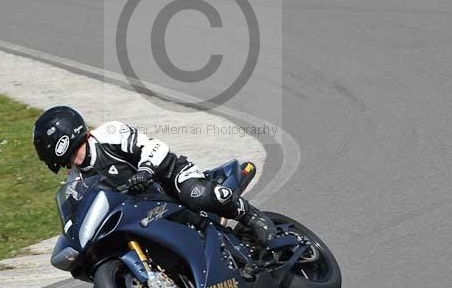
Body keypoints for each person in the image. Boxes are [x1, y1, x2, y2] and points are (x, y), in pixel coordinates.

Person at [32, 105, 277, 245]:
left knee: (195, 193)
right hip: (144, 208)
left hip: (169, 177)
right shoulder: (76, 180)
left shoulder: (108, 134)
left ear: (61, 140)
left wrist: (145, 171)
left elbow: (154, 146)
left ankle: (253, 217)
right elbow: (80, 210)